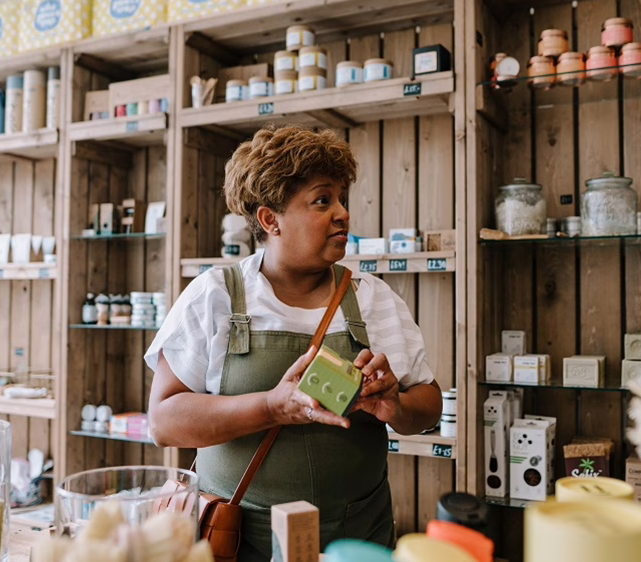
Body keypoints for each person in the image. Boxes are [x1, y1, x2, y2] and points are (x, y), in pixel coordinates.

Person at [145, 125, 443, 561]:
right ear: (270, 220)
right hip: (241, 542)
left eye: (343, 198)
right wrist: (271, 406)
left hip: (356, 543)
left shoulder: (371, 296)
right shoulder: (216, 295)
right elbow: (164, 422)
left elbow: (429, 405)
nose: (342, 213)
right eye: (323, 200)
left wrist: (396, 405)